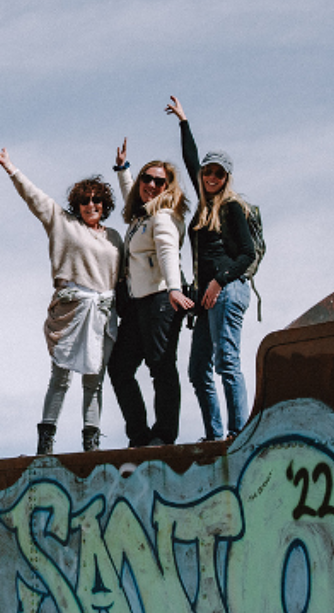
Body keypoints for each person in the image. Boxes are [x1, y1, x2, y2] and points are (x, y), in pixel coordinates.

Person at [0, 145, 123, 454]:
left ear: (104, 204)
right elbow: (34, 197)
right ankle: (46, 441)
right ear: (77, 204)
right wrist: (10, 166)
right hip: (72, 310)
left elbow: (125, 275)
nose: (91, 204)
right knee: (60, 376)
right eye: (85, 200)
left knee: (94, 380)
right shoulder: (63, 223)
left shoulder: (114, 237)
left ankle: (91, 442)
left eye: (97, 200)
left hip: (102, 312)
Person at [168, 96, 260, 441]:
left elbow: (246, 255)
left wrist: (219, 282)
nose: (210, 177)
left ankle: (239, 433)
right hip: (207, 297)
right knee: (197, 370)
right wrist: (183, 122)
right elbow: (191, 158)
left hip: (227, 289)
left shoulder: (232, 208)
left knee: (226, 362)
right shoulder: (205, 204)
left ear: (226, 177)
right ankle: (214, 434)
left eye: (218, 173)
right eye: (207, 172)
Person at [108, 142, 193, 446]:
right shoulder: (141, 217)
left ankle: (164, 434)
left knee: (161, 367)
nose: (152, 185)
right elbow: (133, 192)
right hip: (136, 305)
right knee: (118, 367)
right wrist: (123, 170)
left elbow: (168, 251)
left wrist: (173, 288)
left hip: (161, 300)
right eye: (147, 178)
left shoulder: (164, 216)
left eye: (160, 181)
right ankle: (139, 435)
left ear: (168, 187)